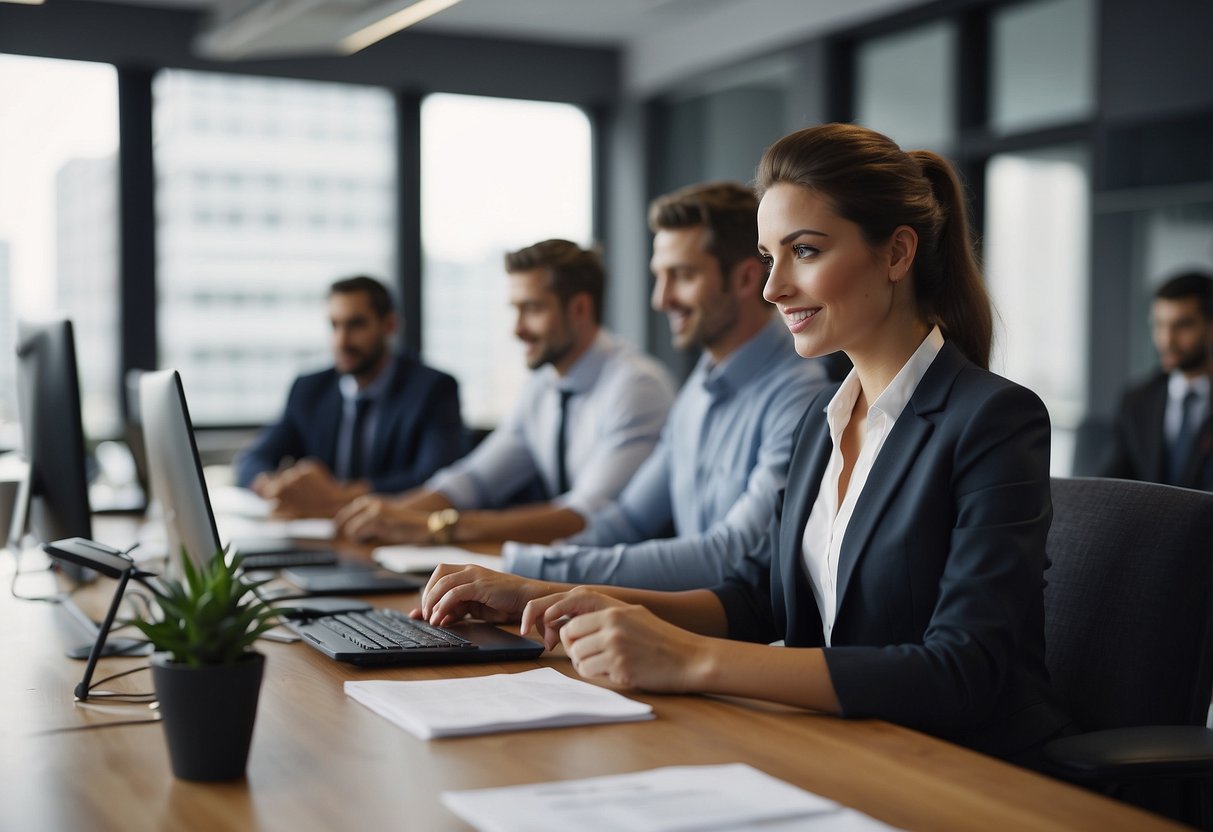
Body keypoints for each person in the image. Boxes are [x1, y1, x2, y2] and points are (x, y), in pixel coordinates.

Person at [413, 123, 1072, 765]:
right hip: (840, 746)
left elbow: (961, 670)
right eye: (767, 257)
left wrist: (689, 658)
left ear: (897, 253)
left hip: (959, 771)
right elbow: (755, 598)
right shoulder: (826, 413)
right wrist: (540, 596)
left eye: (805, 252)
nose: (771, 287)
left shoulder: (993, 419)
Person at [503, 182, 828, 590]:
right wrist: (526, 565)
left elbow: (733, 553)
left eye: (682, 276)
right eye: (660, 277)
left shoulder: (801, 395)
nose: (661, 299)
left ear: (746, 278)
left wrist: (532, 571)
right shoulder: (698, 388)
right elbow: (628, 519)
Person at [336, 240, 674, 545]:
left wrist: (439, 527)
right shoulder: (543, 387)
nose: (517, 329)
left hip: (636, 591)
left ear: (580, 309)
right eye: (515, 309)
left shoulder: (636, 387)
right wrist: (388, 515)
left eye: (532, 309)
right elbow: (474, 480)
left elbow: (586, 514)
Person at [234, 275, 464, 517]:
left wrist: (337, 494)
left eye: (356, 325)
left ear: (389, 325)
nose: (341, 341)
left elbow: (436, 478)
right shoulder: (310, 389)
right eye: (335, 325)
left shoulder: (433, 389)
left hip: (393, 530)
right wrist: (273, 486)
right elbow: (252, 459)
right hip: (319, 533)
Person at [1103, 271, 1213, 490]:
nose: (1166, 340)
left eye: (1182, 325)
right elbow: (1110, 485)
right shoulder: (1137, 401)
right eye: (1160, 325)